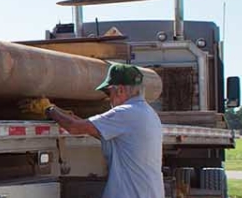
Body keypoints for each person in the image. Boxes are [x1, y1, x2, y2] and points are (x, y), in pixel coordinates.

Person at [44, 63, 164, 198]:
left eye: (108, 92)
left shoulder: (125, 113)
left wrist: (48, 109)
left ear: (120, 90)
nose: (108, 98)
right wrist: (62, 113)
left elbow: (74, 127)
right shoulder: (148, 113)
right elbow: (88, 127)